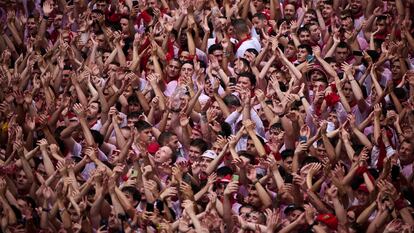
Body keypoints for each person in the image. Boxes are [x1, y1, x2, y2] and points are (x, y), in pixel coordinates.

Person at [0, 0, 414, 232]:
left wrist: (254, 130)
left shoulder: (242, 155)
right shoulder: (179, 160)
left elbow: (294, 176)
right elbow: (166, 127)